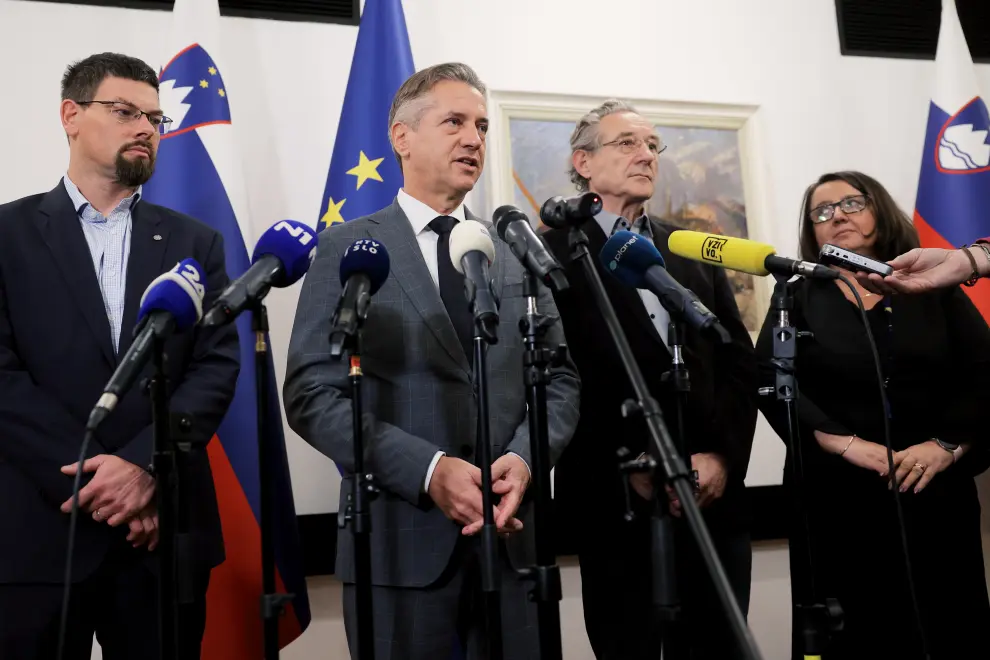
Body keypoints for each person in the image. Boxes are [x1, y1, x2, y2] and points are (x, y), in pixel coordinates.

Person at [283, 62, 580, 660]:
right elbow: (313, 393)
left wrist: (524, 459)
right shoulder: (349, 248)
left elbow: (560, 379)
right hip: (397, 545)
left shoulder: (514, 247)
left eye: (481, 126)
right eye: (454, 122)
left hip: (514, 544)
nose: (473, 139)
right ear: (402, 137)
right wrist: (428, 469)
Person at [0, 53, 240, 659]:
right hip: (38, 527)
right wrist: (97, 478)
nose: (146, 129)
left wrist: (143, 468)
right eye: (126, 111)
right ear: (71, 116)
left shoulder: (195, 241)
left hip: (161, 524)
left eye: (155, 118)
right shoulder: (7, 234)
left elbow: (213, 367)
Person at [539, 99, 758, 660]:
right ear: (582, 161)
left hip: (711, 500)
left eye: (653, 145)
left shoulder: (687, 246)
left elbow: (737, 362)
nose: (646, 155)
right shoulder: (548, 254)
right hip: (617, 507)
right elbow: (557, 380)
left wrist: (723, 458)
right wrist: (632, 466)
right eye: (628, 143)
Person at [756, 170, 990, 659]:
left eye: (850, 203)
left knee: (947, 630)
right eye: (821, 211)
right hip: (837, 501)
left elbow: (982, 374)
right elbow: (771, 382)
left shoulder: (937, 287)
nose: (836, 215)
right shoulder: (794, 298)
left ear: (880, 211)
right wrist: (841, 440)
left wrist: (947, 445)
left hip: (933, 493)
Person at [857, 241, 990, 293]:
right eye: (834, 209)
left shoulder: (932, 275)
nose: (839, 216)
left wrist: (967, 259)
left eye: (852, 203)